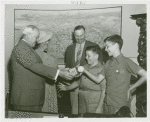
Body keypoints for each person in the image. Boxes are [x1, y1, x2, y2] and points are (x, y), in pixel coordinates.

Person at [10, 25, 73, 112]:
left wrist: (61, 71)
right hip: (26, 98)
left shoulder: (27, 48)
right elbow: (36, 66)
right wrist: (60, 73)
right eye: (36, 37)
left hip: (31, 98)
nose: (36, 41)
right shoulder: (21, 48)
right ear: (28, 34)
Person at [102, 34, 147, 114]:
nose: (105, 49)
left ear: (116, 46)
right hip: (107, 104)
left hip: (120, 105)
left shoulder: (126, 62)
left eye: (107, 46)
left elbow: (146, 75)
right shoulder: (108, 63)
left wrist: (131, 88)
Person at [59, 45, 106, 114]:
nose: (86, 58)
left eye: (88, 56)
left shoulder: (102, 69)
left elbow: (103, 90)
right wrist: (66, 88)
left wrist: (99, 108)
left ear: (96, 56)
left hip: (94, 102)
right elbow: (78, 82)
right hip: (82, 101)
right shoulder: (84, 67)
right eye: (86, 55)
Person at [65, 25, 98, 114]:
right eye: (76, 36)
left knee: (89, 112)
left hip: (88, 86)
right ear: (74, 35)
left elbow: (98, 66)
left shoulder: (94, 46)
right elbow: (68, 66)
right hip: (73, 85)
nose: (79, 38)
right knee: (74, 111)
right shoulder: (69, 49)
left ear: (85, 34)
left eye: (81, 35)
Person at [35, 31, 58, 113]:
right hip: (47, 88)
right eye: (47, 41)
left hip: (41, 87)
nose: (48, 42)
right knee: (47, 110)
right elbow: (54, 71)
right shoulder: (45, 56)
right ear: (43, 43)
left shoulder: (35, 53)